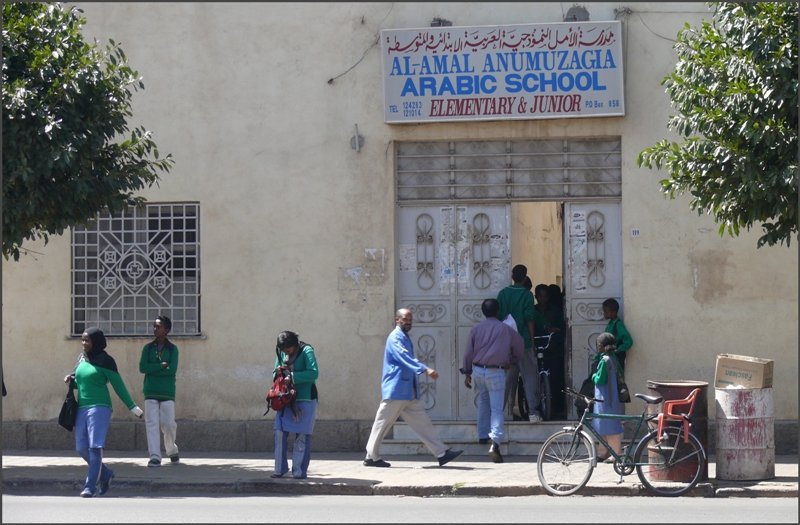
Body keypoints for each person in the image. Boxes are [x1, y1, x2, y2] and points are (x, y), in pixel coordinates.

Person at [364, 308, 463, 468]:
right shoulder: (395, 337)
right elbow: (404, 357)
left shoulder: (404, 337)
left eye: (410, 320)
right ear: (397, 319)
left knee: (422, 423)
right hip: (396, 389)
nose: (408, 322)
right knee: (382, 422)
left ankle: (441, 453)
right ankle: (371, 455)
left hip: (407, 391)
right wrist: (425, 369)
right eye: (405, 319)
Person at [64, 327, 143, 497]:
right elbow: (82, 383)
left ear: (96, 342)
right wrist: (71, 380)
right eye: (83, 340)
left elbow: (118, 386)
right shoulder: (82, 360)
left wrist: (132, 407)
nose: (84, 343)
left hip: (100, 407)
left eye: (88, 340)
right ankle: (105, 473)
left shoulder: (106, 361)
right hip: (82, 408)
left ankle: (89, 486)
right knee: (81, 448)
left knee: (95, 447)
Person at [461, 298, 524, 463]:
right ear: (497, 311)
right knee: (497, 408)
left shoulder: (476, 329)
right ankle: (495, 443)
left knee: (483, 400)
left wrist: (467, 372)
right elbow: (519, 345)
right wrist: (513, 361)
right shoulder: (505, 329)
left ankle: (482, 435)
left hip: (478, 370)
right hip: (496, 371)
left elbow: (468, 352)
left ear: (483, 312)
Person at [271, 330, 319, 479]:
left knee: (301, 436)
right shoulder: (282, 353)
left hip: (305, 399)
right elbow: (274, 373)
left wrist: (292, 377)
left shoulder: (307, 351)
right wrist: (279, 374)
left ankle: (298, 471)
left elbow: (313, 373)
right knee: (279, 433)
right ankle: (279, 470)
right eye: (283, 350)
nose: (286, 352)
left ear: (295, 344)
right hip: (285, 399)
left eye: (288, 349)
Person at [497, 264, 541, 423]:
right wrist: (532, 340)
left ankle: (499, 413)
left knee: (507, 379)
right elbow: (529, 319)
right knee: (529, 377)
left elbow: (499, 317)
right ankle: (533, 413)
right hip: (523, 342)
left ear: (512, 276)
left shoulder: (502, 294)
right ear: (525, 277)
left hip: (506, 343)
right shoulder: (527, 295)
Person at [139, 315, 180, 467]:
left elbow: (172, 369)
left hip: (167, 392)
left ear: (167, 329)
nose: (155, 329)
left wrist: (155, 369)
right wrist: (160, 366)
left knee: (168, 424)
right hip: (150, 390)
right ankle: (155, 456)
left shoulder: (173, 349)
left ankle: (171, 449)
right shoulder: (148, 348)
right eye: (154, 326)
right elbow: (143, 367)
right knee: (151, 424)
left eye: (159, 326)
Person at [532, 283, 566, 418]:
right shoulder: (532, 311)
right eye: (540, 296)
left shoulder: (555, 311)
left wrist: (555, 330)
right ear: (536, 297)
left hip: (553, 350)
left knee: (556, 380)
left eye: (545, 296)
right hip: (536, 348)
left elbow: (562, 328)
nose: (543, 299)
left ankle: (556, 408)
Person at [591, 332, 624, 461]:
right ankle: (602, 452)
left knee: (611, 427)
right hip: (610, 397)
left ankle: (615, 453)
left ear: (602, 346)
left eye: (598, 344)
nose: (597, 347)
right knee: (603, 426)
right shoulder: (613, 358)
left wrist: (594, 376)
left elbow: (600, 379)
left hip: (606, 399)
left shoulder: (605, 360)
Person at [601, 298, 633, 371]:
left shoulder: (618, 325)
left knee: (614, 380)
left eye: (606, 312)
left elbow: (629, 342)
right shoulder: (611, 323)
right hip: (608, 359)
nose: (604, 314)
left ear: (614, 312)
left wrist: (616, 350)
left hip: (616, 360)